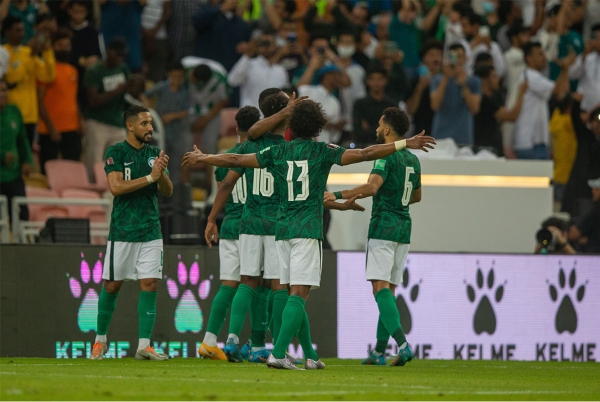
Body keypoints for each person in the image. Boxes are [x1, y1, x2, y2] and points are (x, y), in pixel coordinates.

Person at [182, 100, 436, 370]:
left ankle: (309, 354)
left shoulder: (276, 152)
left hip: (282, 231)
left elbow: (235, 159)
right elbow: (365, 153)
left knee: (293, 292)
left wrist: (204, 157)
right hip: (306, 231)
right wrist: (404, 144)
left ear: (292, 125)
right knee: (299, 293)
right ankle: (278, 353)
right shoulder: (322, 151)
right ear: (318, 126)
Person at [324, 107, 422, 366]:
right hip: (404, 227)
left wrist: (336, 194)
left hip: (383, 226)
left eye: (380, 125)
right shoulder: (413, 160)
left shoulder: (385, 158)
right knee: (388, 290)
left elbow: (370, 187)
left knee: (380, 289)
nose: (377, 130)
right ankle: (379, 352)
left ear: (387, 129)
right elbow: (417, 196)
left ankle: (402, 345)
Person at [90, 105, 173, 361]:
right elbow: (115, 187)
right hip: (123, 230)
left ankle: (145, 345)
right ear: (130, 126)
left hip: (150, 229)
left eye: (150, 123)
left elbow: (168, 192)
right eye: (145, 124)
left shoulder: (154, 154)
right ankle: (100, 341)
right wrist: (150, 177)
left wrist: (160, 176)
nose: (150, 128)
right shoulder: (115, 152)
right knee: (112, 285)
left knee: (150, 283)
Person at [198, 106, 261, 361]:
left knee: (228, 284)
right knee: (256, 285)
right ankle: (244, 341)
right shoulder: (261, 155)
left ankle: (210, 340)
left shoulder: (223, 159)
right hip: (254, 227)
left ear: (236, 129)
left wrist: (212, 219)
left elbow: (222, 191)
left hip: (230, 224)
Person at [510, 42, 574, 160]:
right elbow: (559, 89)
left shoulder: (535, 77)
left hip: (536, 142)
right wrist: (565, 68)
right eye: (540, 54)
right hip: (529, 143)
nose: (544, 57)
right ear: (529, 58)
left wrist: (565, 69)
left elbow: (563, 91)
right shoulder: (530, 77)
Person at [2, 15, 56, 146]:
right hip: (11, 113)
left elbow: (48, 77)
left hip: (30, 115)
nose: (22, 33)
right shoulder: (3, 53)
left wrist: (47, 50)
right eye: (17, 30)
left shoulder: (27, 51)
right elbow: (12, 80)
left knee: (27, 154)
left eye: (22, 30)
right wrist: (30, 56)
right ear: (7, 32)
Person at [83, 37, 131, 180]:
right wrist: (117, 90)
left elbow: (129, 90)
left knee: (118, 165)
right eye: (118, 54)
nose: (120, 58)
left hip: (117, 122)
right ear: (109, 52)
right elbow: (92, 101)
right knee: (94, 164)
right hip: (98, 122)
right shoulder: (94, 71)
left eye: (123, 56)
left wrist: (136, 84)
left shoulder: (123, 68)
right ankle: (90, 197)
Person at [37, 28, 82, 174]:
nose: (64, 49)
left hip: (71, 128)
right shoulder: (46, 69)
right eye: (60, 45)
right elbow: (40, 101)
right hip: (50, 130)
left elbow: (74, 99)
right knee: (48, 171)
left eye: (67, 45)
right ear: (53, 47)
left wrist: (80, 121)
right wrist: (51, 128)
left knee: (73, 170)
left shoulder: (72, 70)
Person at [143, 61, 190, 186]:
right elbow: (145, 95)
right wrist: (148, 109)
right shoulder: (161, 87)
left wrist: (172, 116)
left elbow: (186, 112)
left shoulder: (184, 92)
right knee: (157, 159)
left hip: (175, 133)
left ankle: (171, 189)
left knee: (174, 163)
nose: (177, 80)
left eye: (180, 77)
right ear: (168, 75)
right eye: (174, 76)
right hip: (159, 132)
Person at [430, 43, 481, 146]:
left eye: (459, 56)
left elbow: (475, 108)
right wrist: (445, 77)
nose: (456, 60)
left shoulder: (474, 81)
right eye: (452, 56)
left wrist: (464, 85)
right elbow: (435, 105)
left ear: (465, 59)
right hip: (441, 135)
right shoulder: (437, 80)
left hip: (463, 137)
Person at [227, 30, 289, 110]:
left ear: (275, 46)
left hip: (273, 117)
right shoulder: (248, 64)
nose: (266, 47)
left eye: (269, 43)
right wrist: (247, 55)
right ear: (258, 45)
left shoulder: (281, 71)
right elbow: (232, 81)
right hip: (251, 116)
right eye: (263, 43)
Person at [473, 65, 527, 156]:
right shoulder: (485, 101)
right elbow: (511, 116)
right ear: (484, 80)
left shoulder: (494, 98)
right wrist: (521, 93)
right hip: (486, 151)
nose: (497, 79)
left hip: (493, 149)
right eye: (493, 76)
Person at [0, 79, 32, 225]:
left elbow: (22, 139)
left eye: (4, 90)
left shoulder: (14, 112)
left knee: (22, 219)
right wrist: (1, 157)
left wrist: (27, 160)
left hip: (14, 176)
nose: (2, 94)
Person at [66, 0, 101, 111]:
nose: (78, 15)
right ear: (69, 11)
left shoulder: (93, 32)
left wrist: (94, 60)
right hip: (68, 74)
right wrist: (80, 61)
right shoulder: (64, 30)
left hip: (86, 77)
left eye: (81, 12)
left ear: (86, 12)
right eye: (75, 11)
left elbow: (99, 55)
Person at [405, 40, 443, 138]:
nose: (436, 59)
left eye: (438, 55)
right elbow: (410, 110)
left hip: (442, 132)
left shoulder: (446, 81)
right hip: (421, 132)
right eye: (432, 55)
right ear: (424, 58)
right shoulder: (415, 80)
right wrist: (420, 87)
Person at [352, 65, 396, 147]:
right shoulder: (360, 104)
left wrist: (368, 129)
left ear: (385, 81)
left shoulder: (392, 105)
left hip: (386, 149)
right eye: (372, 79)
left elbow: (394, 132)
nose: (376, 83)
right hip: (364, 149)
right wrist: (383, 129)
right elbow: (358, 132)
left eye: (380, 79)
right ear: (367, 81)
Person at [569, 178, 600, 254]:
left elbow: (573, 234)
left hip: (594, 256)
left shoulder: (596, 211)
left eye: (597, 189)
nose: (593, 192)